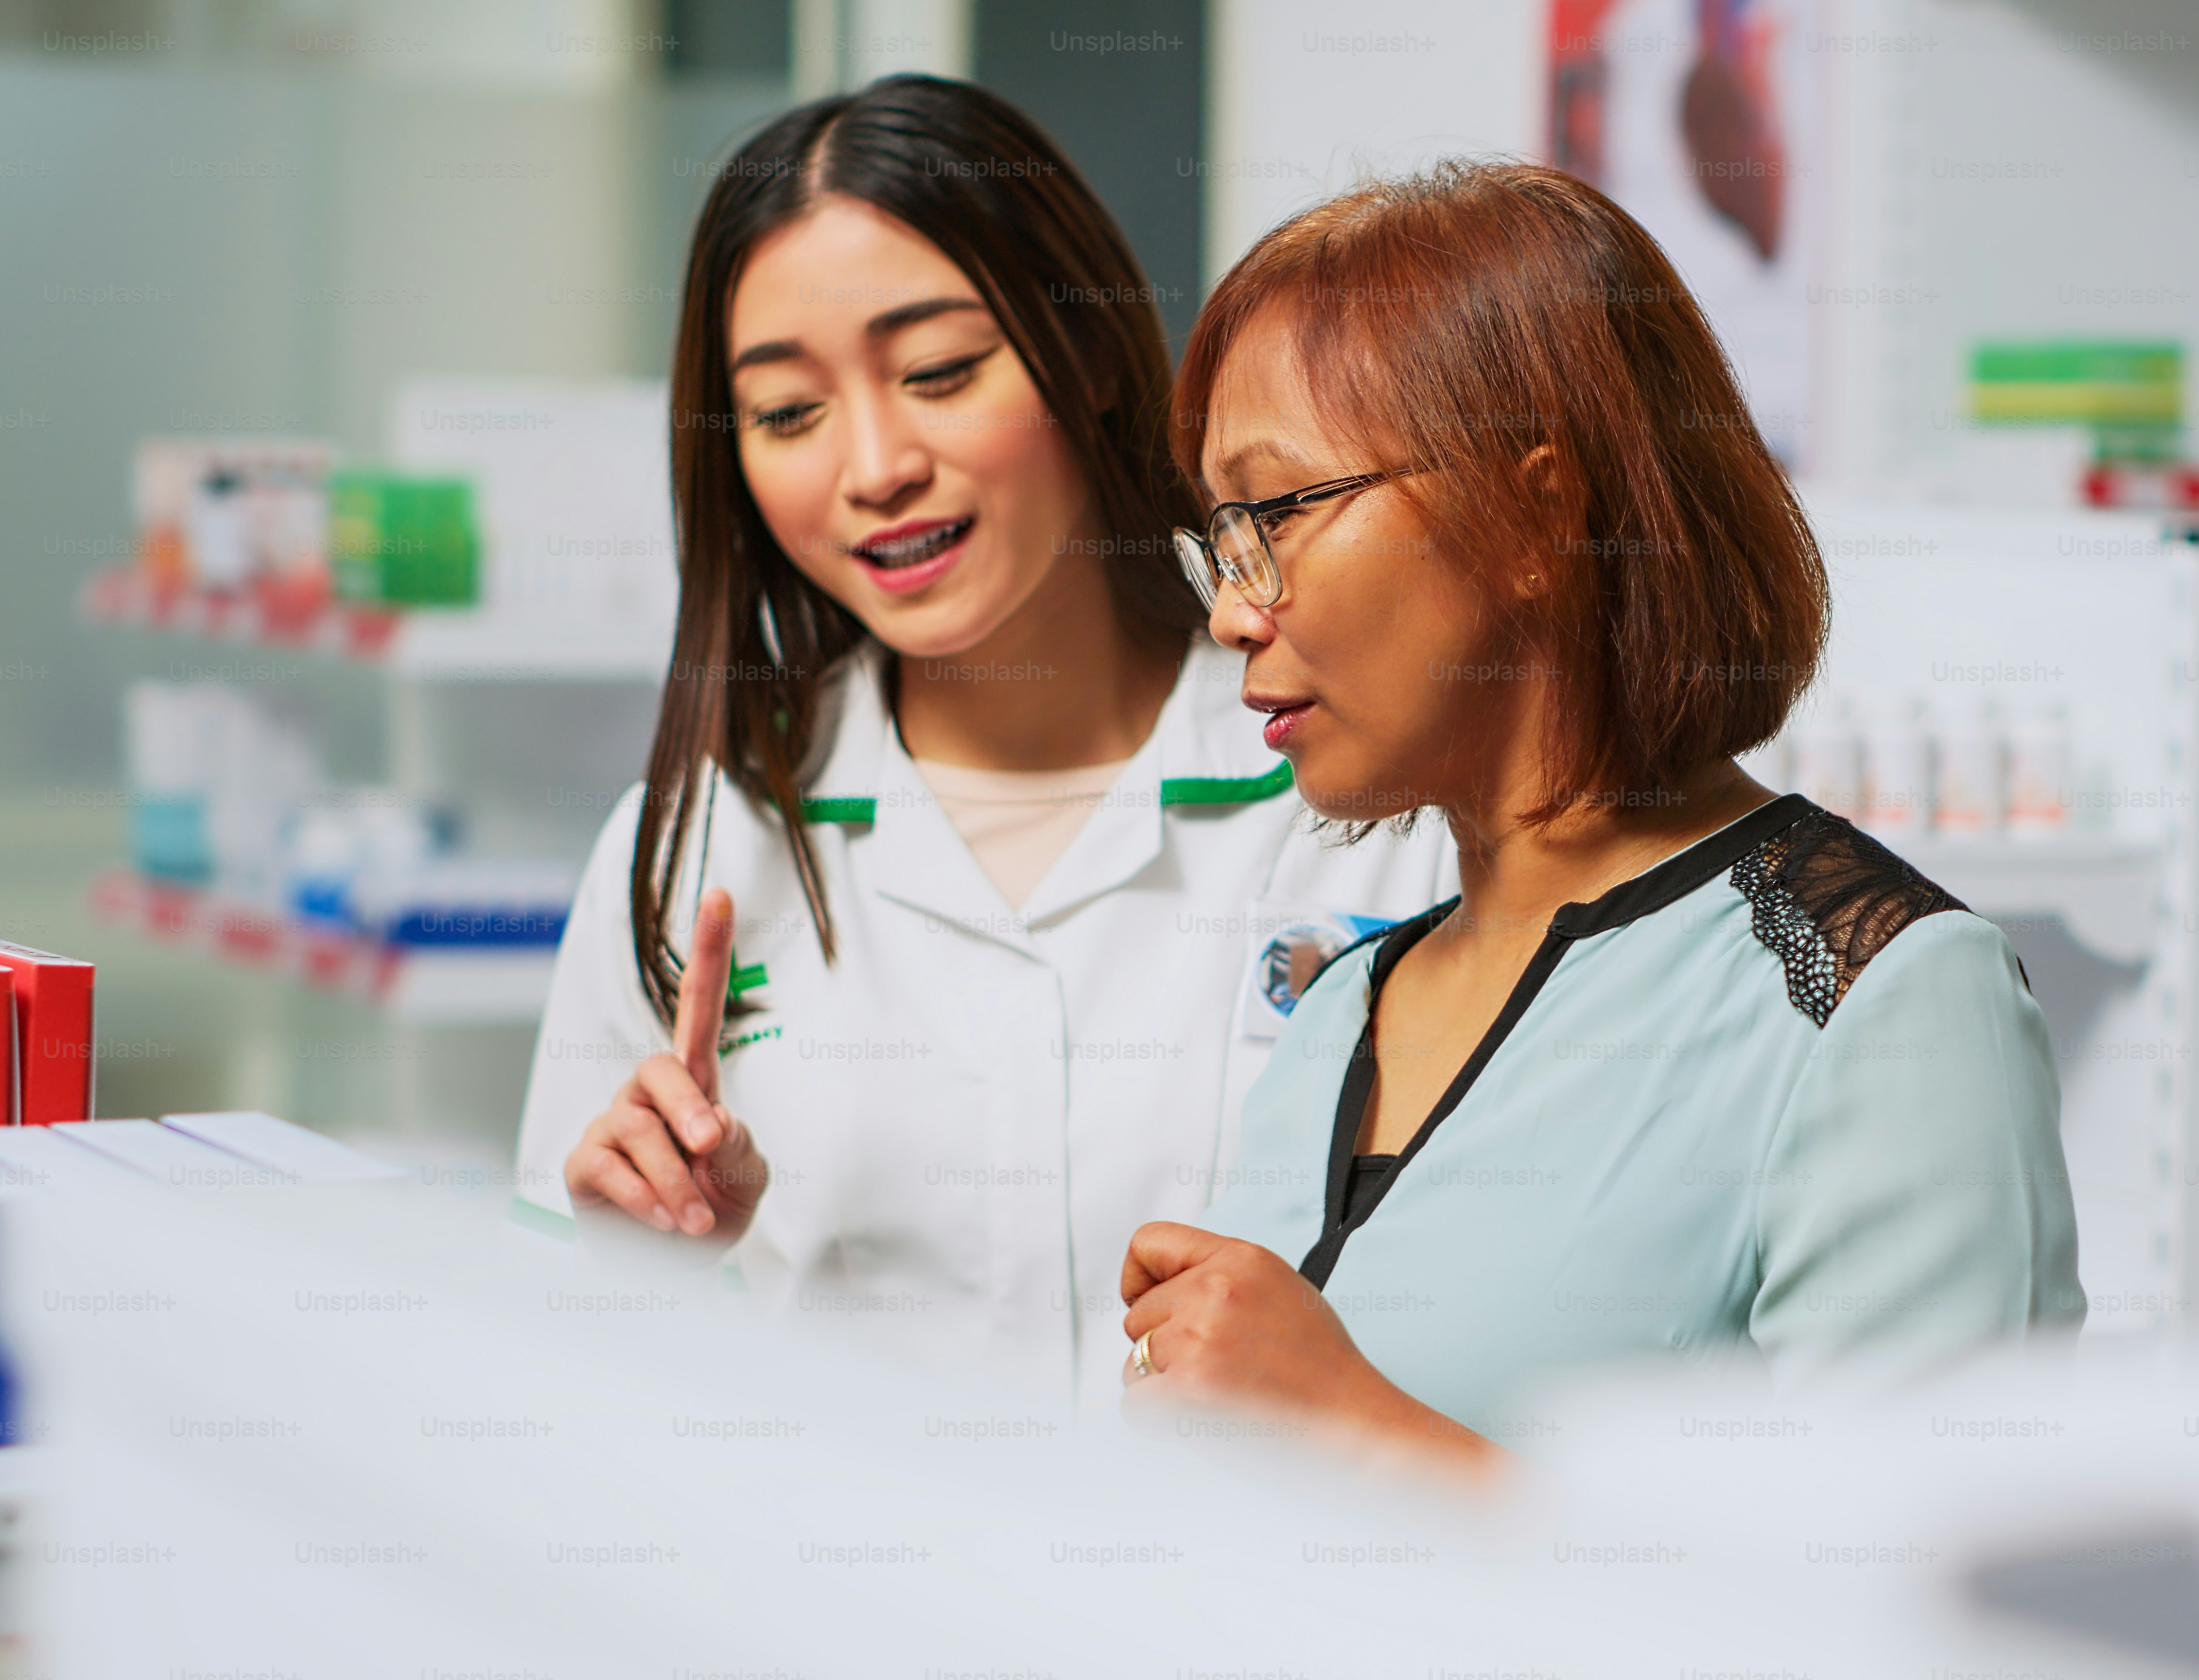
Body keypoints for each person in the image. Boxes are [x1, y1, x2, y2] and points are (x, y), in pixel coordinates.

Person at [1115, 161, 2084, 1474]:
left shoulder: (1879, 995)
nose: (1233, 608)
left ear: (1535, 516)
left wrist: (1358, 1431)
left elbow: (1917, 1614)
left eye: (1277, 515)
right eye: (1220, 540)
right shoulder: (1344, 1005)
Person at [514, 77, 1448, 1396]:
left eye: (940, 372)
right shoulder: (696, 849)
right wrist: (655, 1270)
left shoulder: (1366, 802)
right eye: (789, 413)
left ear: (1083, 357)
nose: (876, 464)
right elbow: (555, 1388)